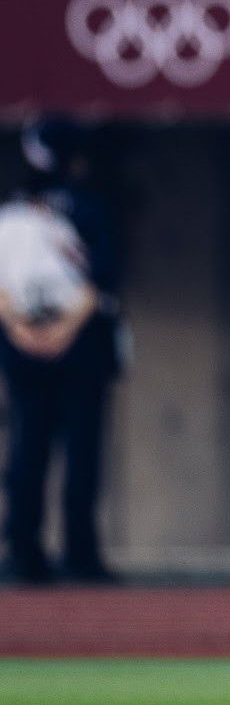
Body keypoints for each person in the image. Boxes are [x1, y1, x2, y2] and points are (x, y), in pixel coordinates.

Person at [0, 122, 118, 585]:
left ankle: (24, 554)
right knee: (78, 451)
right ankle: (79, 556)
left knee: (29, 447)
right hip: (79, 342)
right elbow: (104, 279)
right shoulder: (90, 208)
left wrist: (23, 330)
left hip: (24, 339)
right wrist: (65, 330)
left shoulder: (12, 211)